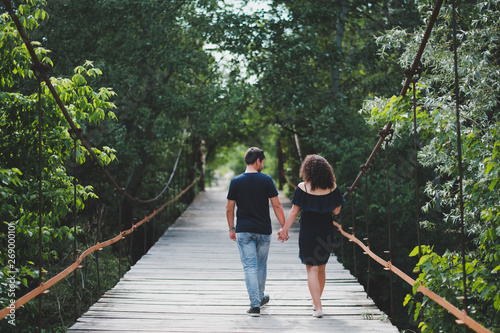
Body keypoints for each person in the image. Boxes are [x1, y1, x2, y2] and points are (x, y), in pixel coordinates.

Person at [277, 154, 345, 318]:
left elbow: (294, 212)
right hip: (326, 230)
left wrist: (284, 230)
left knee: (311, 269)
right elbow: (336, 210)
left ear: (307, 171)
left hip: (308, 231)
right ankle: (317, 303)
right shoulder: (333, 187)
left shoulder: (302, 187)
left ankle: (318, 306)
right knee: (321, 267)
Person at [226, 147, 286, 317]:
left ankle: (255, 304)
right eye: (263, 162)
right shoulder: (266, 180)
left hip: (243, 231)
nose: (263, 165)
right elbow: (277, 205)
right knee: (260, 266)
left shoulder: (235, 181)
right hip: (263, 230)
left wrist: (231, 228)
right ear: (258, 161)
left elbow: (229, 208)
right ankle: (258, 299)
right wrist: (283, 227)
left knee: (250, 267)